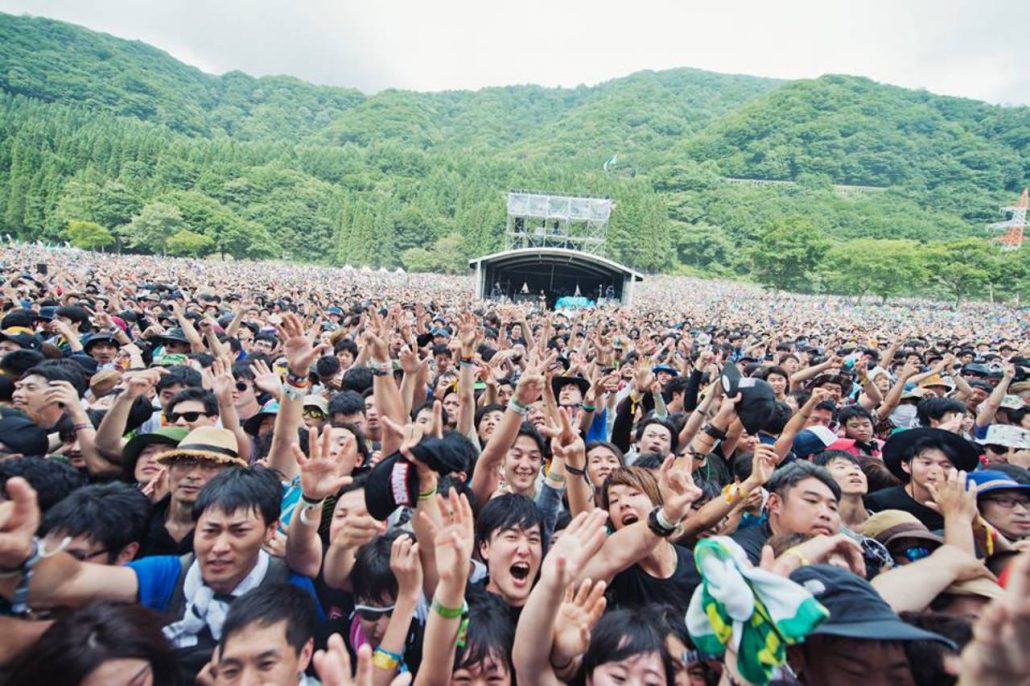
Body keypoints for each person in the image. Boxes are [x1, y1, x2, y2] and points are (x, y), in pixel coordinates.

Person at [866, 428, 980, 531]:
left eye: (946, 465)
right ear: (905, 465)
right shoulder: (880, 502)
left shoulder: (964, 503)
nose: (936, 470)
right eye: (927, 463)